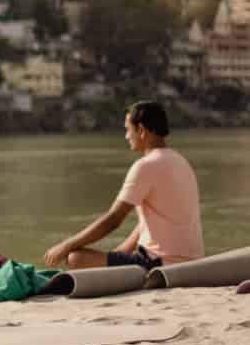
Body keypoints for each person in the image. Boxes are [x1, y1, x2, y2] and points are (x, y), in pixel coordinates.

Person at [42, 101, 204, 270]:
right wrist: (119, 253)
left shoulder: (146, 166)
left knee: (75, 258)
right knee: (96, 257)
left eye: (128, 130)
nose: (126, 136)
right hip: (192, 260)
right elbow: (147, 223)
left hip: (160, 262)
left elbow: (113, 220)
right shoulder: (180, 161)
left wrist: (66, 245)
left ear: (141, 130)